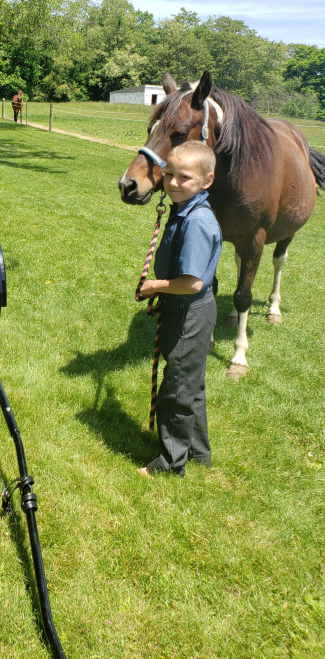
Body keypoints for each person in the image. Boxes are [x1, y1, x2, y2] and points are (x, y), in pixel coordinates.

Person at [137, 141, 222, 477]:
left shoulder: (197, 221)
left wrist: (155, 286)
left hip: (191, 311)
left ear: (207, 180)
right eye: (169, 174)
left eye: (184, 177)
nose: (172, 183)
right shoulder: (183, 207)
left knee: (177, 388)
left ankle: (171, 462)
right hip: (183, 308)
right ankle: (198, 452)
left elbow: (193, 282)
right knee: (190, 383)